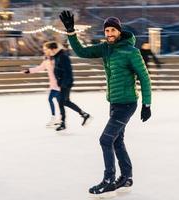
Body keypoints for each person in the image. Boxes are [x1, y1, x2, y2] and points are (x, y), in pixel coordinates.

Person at [60, 11, 152, 197]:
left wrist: (147, 104)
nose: (109, 33)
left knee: (105, 140)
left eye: (113, 30)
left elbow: (144, 77)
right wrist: (71, 32)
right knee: (117, 141)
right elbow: (82, 52)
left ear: (119, 31)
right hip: (114, 103)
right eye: (107, 30)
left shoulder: (131, 52)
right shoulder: (105, 49)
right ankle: (126, 177)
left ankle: (109, 180)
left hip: (127, 103)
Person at [44, 41, 91, 131]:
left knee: (62, 102)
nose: (46, 51)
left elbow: (68, 71)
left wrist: (64, 84)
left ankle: (63, 123)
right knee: (65, 102)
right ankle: (84, 115)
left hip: (65, 83)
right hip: (63, 83)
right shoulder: (58, 56)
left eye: (47, 49)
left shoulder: (63, 56)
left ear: (53, 49)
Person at [22, 42, 61, 127]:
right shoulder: (47, 61)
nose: (44, 51)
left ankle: (57, 118)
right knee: (57, 101)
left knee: (53, 100)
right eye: (44, 49)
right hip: (53, 84)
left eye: (45, 49)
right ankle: (58, 118)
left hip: (59, 84)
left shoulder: (57, 59)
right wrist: (29, 71)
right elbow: (39, 68)